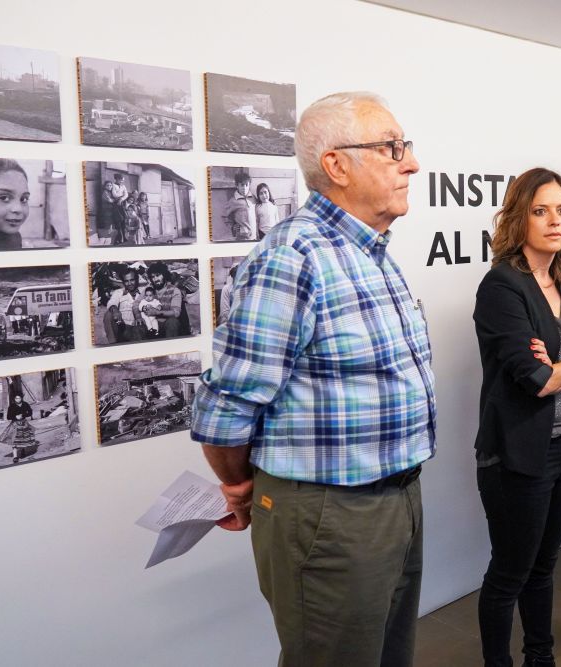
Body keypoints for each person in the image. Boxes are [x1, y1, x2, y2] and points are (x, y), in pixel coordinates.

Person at [191, 91, 433, 667]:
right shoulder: (293, 256)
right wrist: (241, 488)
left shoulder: (368, 252)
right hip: (331, 513)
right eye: (392, 148)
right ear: (336, 165)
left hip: (396, 498)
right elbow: (225, 408)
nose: (412, 163)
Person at [473, 168, 561, 667]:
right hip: (518, 454)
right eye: (540, 211)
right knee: (511, 572)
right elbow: (537, 381)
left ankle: (540, 657)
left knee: (546, 566)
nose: (554, 221)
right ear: (518, 218)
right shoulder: (502, 287)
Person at [139, 262, 190, 338]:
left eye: (158, 275)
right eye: (153, 277)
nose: (155, 279)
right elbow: (136, 304)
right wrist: (138, 317)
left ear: (164, 275)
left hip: (167, 323)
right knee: (139, 326)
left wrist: (156, 312)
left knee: (172, 322)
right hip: (151, 323)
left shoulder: (174, 290)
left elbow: (176, 313)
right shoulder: (149, 289)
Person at [103, 268, 144, 343]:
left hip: (140, 328)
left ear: (137, 279)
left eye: (132, 280)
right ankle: (113, 345)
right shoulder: (119, 292)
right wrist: (115, 310)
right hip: (124, 329)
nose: (129, 283)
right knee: (108, 314)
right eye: (126, 281)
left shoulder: (144, 292)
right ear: (123, 282)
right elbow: (112, 302)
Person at [0, 394, 37, 464]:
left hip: (24, 424)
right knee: (14, 440)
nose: (18, 400)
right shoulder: (12, 406)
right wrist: (15, 417)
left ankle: (22, 450)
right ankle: (15, 457)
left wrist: (23, 415)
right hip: (15, 425)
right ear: (14, 399)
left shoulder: (25, 404)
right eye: (16, 398)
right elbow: (8, 417)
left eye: (19, 398)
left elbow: (30, 412)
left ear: (21, 398)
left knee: (23, 438)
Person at [223, 171, 256, 240]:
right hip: (242, 237)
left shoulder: (253, 198)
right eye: (242, 185)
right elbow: (225, 216)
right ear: (237, 185)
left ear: (249, 185)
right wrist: (233, 226)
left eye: (246, 185)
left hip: (255, 236)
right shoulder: (233, 201)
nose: (244, 188)